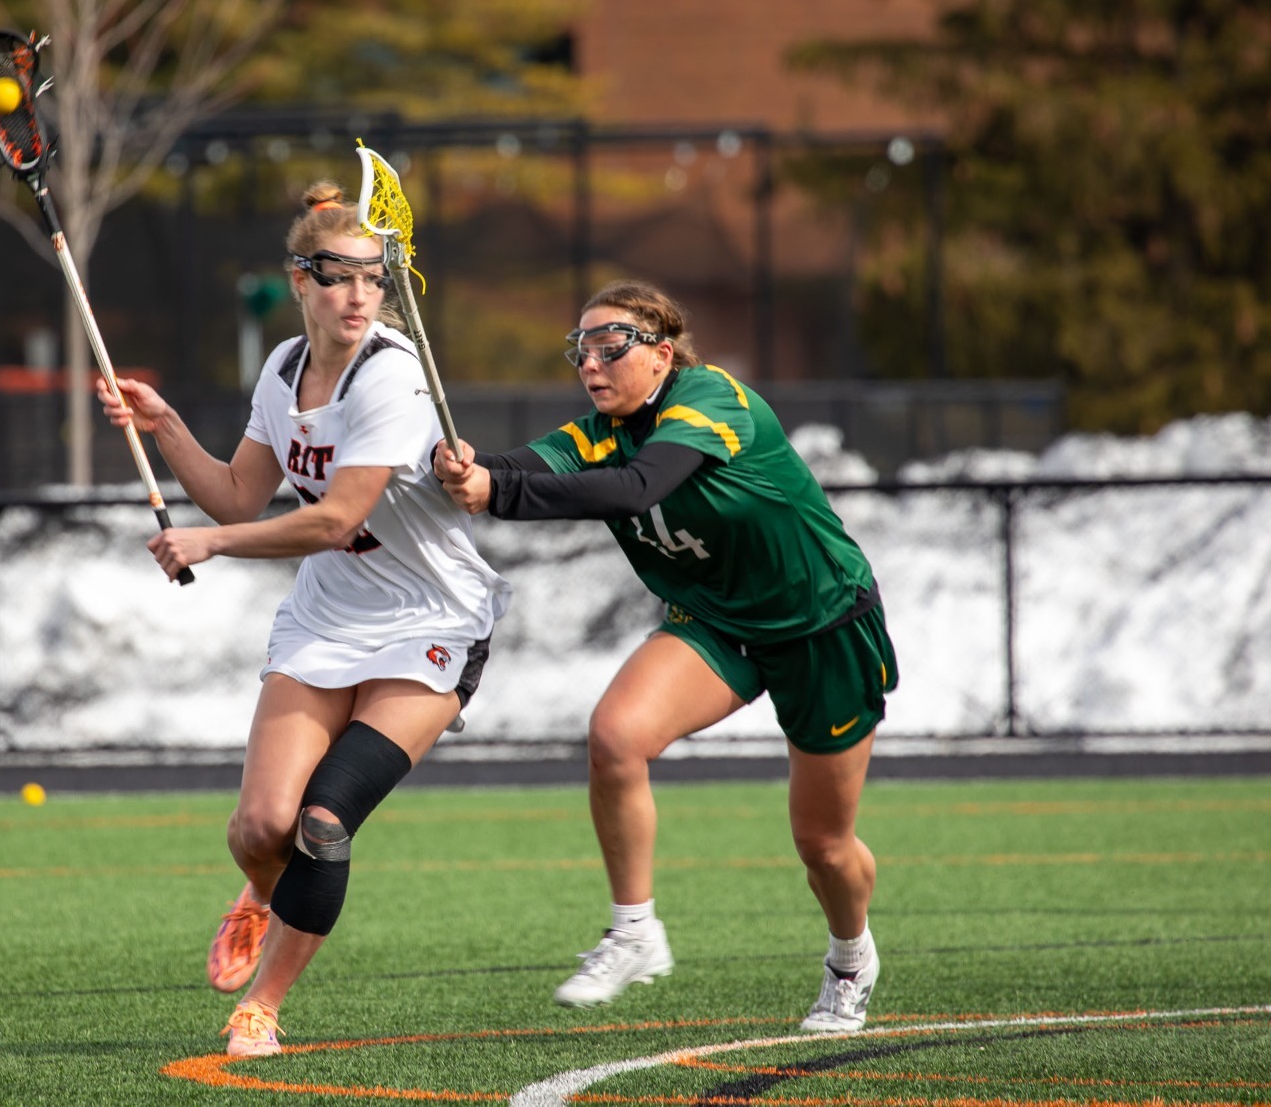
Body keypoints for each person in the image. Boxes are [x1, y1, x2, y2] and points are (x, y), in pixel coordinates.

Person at [97, 182, 512, 1058]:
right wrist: (164, 425)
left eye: (374, 279)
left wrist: (212, 545)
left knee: (323, 822)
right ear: (301, 281)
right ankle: (263, 896)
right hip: (330, 616)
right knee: (259, 830)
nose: (359, 296)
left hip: (430, 620)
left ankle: (263, 1006)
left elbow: (336, 519)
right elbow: (240, 492)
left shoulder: (392, 373)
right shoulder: (284, 367)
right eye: (339, 278)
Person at [433, 278, 898, 1032]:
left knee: (823, 845)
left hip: (821, 625)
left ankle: (850, 959)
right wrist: (467, 466)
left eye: (609, 345)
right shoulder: (600, 428)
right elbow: (527, 465)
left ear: (662, 350)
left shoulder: (710, 400)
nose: (591, 364)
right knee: (615, 736)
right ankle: (634, 929)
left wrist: (499, 491)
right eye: (579, 349)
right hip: (717, 623)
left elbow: (635, 488)